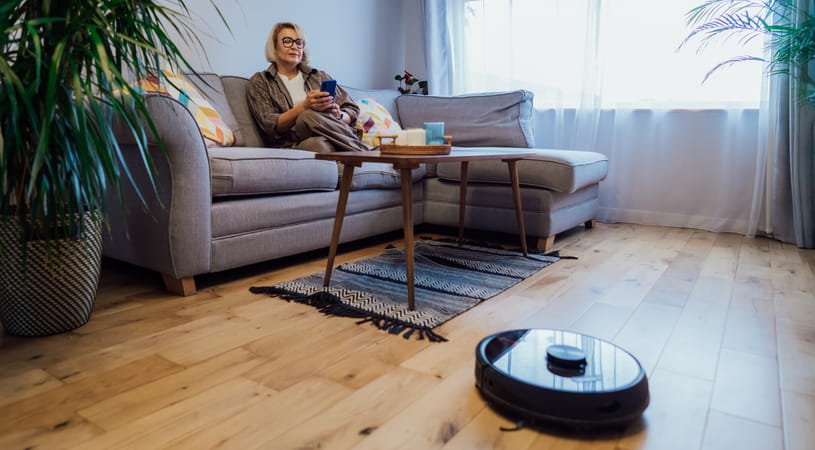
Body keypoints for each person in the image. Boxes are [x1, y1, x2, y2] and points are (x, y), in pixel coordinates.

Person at [247, 22, 369, 153]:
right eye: (287, 41)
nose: (295, 46)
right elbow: (270, 125)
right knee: (307, 117)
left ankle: (358, 152)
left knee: (319, 144)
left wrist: (337, 116)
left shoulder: (319, 76)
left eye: (299, 42)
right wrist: (305, 106)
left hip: (326, 138)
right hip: (292, 144)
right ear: (275, 46)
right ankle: (365, 152)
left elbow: (351, 109)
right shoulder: (261, 81)